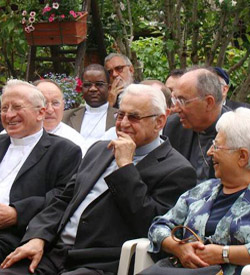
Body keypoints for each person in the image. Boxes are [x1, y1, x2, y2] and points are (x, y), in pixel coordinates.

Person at [0, 84, 197, 275]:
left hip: (101, 261)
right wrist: (37, 237)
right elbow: (63, 200)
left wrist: (126, 167)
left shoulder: (177, 170)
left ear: (160, 121)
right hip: (55, 252)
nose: (124, 123)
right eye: (120, 115)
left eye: (134, 117)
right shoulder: (99, 150)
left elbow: (149, 224)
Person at [144, 107, 250, 275]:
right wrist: (179, 248)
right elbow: (159, 226)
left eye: (216, 146)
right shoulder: (203, 191)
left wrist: (223, 254)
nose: (209, 152)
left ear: (242, 156)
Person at [0, 79, 82, 261]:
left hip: (19, 235)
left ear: (40, 113)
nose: (9, 115)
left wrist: (17, 213)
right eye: (4, 109)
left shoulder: (65, 151)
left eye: (17, 107)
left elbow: (63, 197)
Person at [163, 67, 230, 183]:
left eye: (182, 101)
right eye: (175, 100)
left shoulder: (237, 132)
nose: (176, 108)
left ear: (209, 102)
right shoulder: (173, 126)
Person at [63, 64, 117, 149]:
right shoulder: (65, 117)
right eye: (87, 85)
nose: (93, 89)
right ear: (81, 88)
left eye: (99, 84)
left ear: (109, 88)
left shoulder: (120, 118)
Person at [33, 79, 87, 156]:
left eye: (55, 103)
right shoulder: (17, 135)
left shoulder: (75, 141)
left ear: (63, 105)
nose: (50, 110)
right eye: (44, 103)